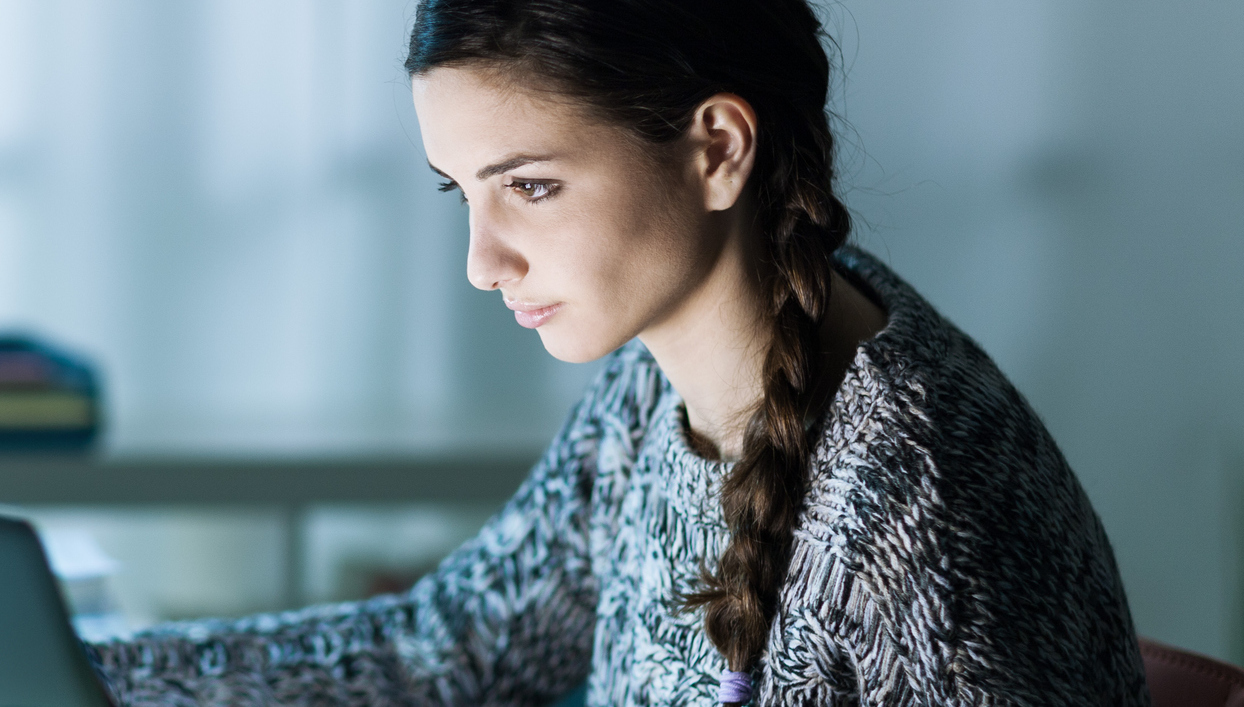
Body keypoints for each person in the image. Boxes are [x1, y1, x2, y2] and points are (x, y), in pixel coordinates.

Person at [87, 0, 1150, 704]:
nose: (482, 260)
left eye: (532, 187)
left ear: (718, 149)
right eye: (463, 192)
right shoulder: (668, 375)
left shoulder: (913, 524)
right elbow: (455, 642)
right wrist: (86, 678)